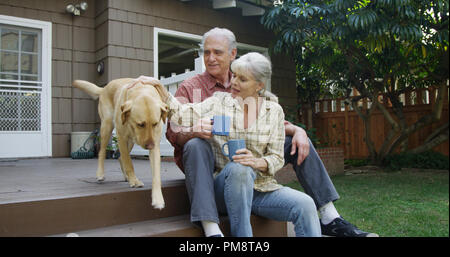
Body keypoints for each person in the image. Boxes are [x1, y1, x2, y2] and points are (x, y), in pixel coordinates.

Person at [165, 27, 378, 237]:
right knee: (199, 146)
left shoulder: (260, 96)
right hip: (214, 168)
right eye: (206, 52)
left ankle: (329, 215)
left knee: (297, 141)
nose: (210, 58)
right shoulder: (197, 89)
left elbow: (271, 124)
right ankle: (210, 224)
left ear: (233, 54)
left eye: (217, 52)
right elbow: (175, 127)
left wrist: (298, 131)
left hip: (256, 172)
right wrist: (191, 129)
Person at [164, 52, 321, 237]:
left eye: (243, 79)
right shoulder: (220, 102)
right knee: (240, 168)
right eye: (235, 75)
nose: (234, 82)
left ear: (259, 85)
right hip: (225, 189)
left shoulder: (274, 111)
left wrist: (257, 162)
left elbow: (277, 158)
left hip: (261, 189)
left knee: (306, 205)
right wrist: (157, 89)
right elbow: (180, 113)